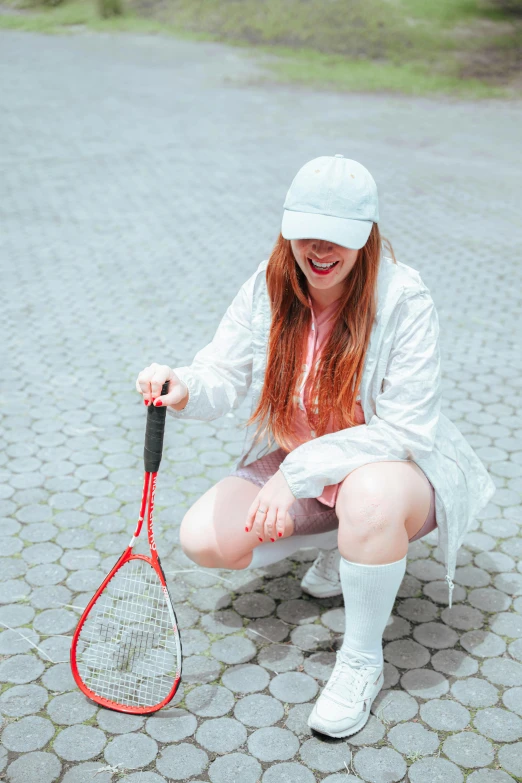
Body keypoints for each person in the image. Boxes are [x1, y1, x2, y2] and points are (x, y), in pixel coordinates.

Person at [136, 154, 496, 739]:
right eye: (308, 233)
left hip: (393, 469)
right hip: (304, 459)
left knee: (371, 497)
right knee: (202, 539)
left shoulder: (404, 299)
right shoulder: (268, 284)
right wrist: (183, 386)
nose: (321, 249)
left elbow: (405, 431)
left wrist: (294, 474)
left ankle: (360, 660)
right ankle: (345, 542)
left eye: (340, 236)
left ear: (368, 235)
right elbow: (221, 372)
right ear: (287, 227)